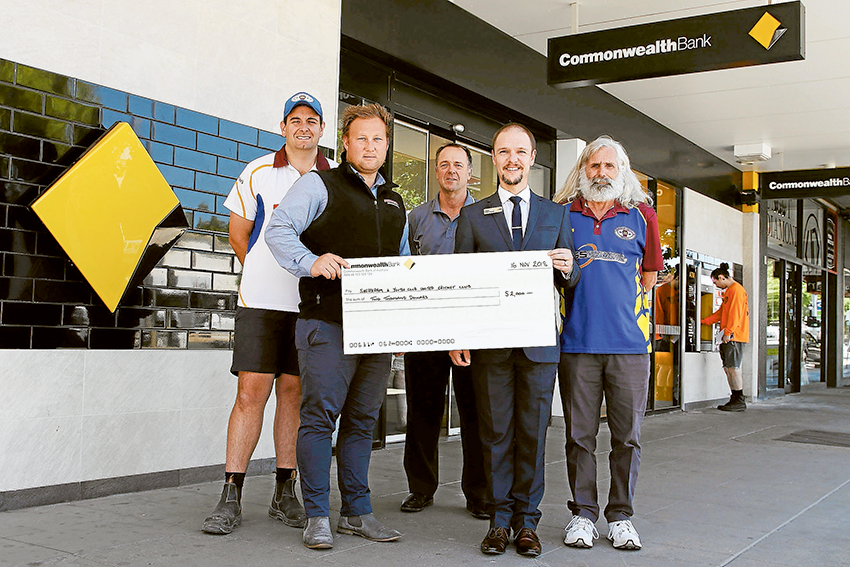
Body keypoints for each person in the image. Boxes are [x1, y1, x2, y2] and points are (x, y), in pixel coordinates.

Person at [265, 103, 409, 550]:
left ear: (387, 146)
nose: (370, 146)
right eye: (361, 138)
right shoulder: (319, 184)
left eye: (378, 139)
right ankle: (317, 514)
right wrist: (312, 262)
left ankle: (357, 512)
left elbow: (403, 263)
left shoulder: (394, 200)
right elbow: (278, 229)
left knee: (363, 422)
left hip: (377, 329)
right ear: (345, 143)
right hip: (326, 324)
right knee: (319, 419)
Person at [202, 92, 333, 535]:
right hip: (259, 304)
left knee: (293, 397)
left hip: (309, 308)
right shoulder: (258, 171)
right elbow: (239, 233)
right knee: (249, 396)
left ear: (321, 130)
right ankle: (230, 494)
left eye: (312, 121)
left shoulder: (333, 178)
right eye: (295, 120)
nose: (303, 128)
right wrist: (262, 271)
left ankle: (284, 492)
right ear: (283, 127)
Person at [450, 123, 580, 558]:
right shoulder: (472, 215)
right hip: (492, 346)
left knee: (532, 434)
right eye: (504, 152)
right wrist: (458, 336)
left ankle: (527, 521)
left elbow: (572, 279)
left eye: (520, 152)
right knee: (496, 433)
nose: (512, 159)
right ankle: (498, 521)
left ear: (531, 159)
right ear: (494, 158)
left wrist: (567, 266)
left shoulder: (555, 214)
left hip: (540, 346)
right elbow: (460, 283)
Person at [555, 136, 663, 551]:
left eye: (609, 166)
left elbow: (649, 277)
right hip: (577, 345)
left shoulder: (643, 216)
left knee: (627, 437)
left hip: (630, 348)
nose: (601, 173)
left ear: (623, 171)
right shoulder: (564, 215)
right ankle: (582, 514)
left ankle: (620, 517)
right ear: (583, 170)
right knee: (579, 436)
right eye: (594, 165)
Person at [399, 143, 488, 519]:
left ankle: (480, 494)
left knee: (476, 413)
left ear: (470, 173)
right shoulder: (415, 218)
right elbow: (401, 269)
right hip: (427, 329)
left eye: (458, 165)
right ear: (436, 172)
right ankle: (421, 488)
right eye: (444, 165)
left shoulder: (486, 217)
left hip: (474, 331)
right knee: (423, 411)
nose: (451, 170)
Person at [701, 263, 750, 412]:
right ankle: (735, 397)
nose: (716, 286)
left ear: (722, 277)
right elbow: (722, 313)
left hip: (734, 336)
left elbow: (736, 314)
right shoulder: (730, 292)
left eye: (716, 282)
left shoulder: (736, 290)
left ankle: (739, 399)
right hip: (730, 336)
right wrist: (704, 321)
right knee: (729, 368)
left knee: (733, 368)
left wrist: (728, 332)